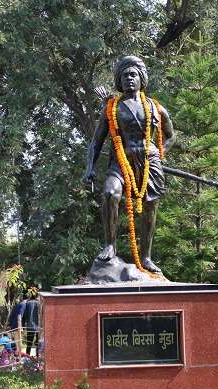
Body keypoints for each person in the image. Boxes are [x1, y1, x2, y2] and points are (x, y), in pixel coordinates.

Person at [83, 55, 175, 275]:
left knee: (150, 205)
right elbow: (95, 142)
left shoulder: (154, 107)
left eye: (133, 74)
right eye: (124, 75)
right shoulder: (112, 108)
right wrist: (89, 168)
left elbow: (170, 136)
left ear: (141, 78)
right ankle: (110, 245)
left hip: (149, 162)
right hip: (121, 161)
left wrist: (160, 154)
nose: (129, 79)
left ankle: (146, 256)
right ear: (119, 80)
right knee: (109, 193)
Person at [22, 291, 40, 357]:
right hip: (38, 326)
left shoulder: (28, 303)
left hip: (30, 326)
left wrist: (23, 326)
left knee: (29, 343)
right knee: (38, 343)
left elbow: (24, 315)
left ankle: (27, 356)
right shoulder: (39, 303)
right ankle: (38, 356)